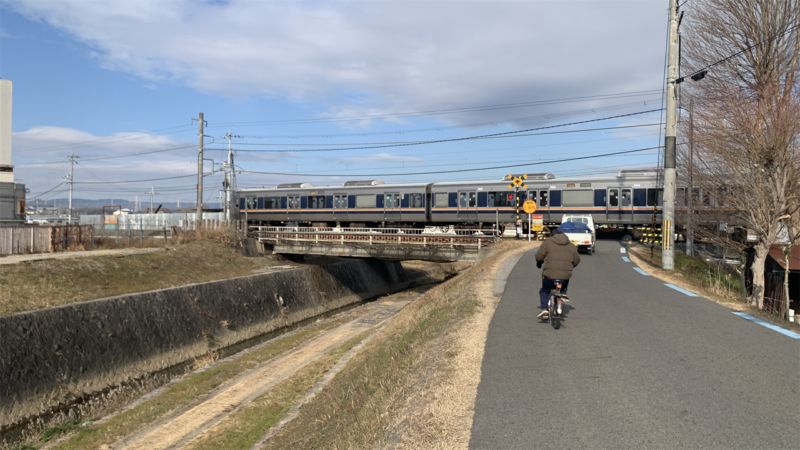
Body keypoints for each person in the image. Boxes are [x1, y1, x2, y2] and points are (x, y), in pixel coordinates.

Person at [534, 228, 580, 319]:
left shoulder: (547, 243)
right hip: (565, 275)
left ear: (552, 236)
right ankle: (563, 294)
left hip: (549, 274)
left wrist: (539, 263)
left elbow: (539, 256)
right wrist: (570, 267)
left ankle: (544, 309)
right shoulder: (571, 246)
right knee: (564, 283)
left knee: (545, 290)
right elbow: (577, 260)